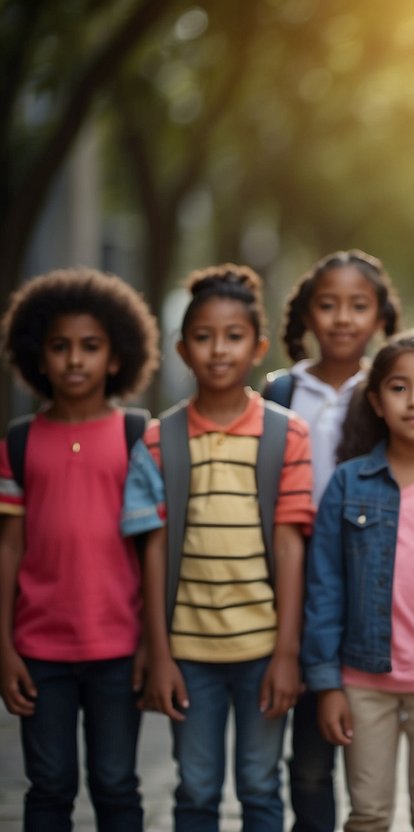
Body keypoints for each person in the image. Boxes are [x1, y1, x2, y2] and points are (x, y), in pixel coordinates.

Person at [121, 264, 315, 831]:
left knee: (260, 785)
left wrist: (287, 653)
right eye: (203, 337)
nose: (218, 350)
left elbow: (290, 545)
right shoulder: (160, 438)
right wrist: (158, 654)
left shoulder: (287, 434)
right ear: (183, 349)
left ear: (257, 347)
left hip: (262, 648)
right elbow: (151, 553)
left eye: (233, 337)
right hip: (188, 651)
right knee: (197, 788)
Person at [0, 268, 159, 831]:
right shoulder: (18, 442)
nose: (74, 360)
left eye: (90, 347)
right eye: (60, 347)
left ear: (116, 358)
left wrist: (150, 643)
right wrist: (4, 646)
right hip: (39, 650)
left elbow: (151, 550)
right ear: (37, 356)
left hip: (118, 648)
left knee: (116, 785)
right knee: (48, 787)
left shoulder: (137, 435)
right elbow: (10, 546)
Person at [302, 328, 414, 832]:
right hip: (364, 681)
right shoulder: (349, 482)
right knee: (368, 814)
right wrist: (327, 684)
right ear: (377, 401)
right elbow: (325, 587)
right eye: (399, 388)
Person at [266, 249, 401, 832]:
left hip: (375, 577)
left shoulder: (391, 388)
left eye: (358, 305)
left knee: (369, 735)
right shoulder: (280, 393)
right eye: (328, 305)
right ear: (306, 315)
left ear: (379, 317)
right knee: (309, 760)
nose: (342, 318)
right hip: (297, 580)